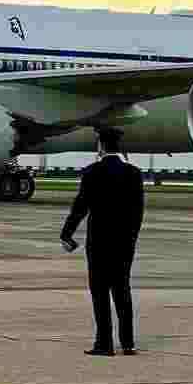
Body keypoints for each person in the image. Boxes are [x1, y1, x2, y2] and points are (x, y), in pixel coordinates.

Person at [59, 128, 145, 356]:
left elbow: (80, 207)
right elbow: (138, 213)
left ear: (100, 147)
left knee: (100, 292)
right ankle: (128, 343)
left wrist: (66, 234)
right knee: (123, 291)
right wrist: (131, 239)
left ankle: (104, 344)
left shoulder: (92, 172)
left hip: (98, 242)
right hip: (124, 243)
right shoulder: (134, 173)